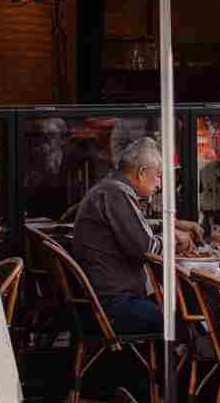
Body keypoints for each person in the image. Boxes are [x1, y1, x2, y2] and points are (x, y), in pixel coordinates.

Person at [71, 137, 204, 335]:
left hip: (103, 299)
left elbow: (133, 227)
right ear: (142, 173)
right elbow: (145, 248)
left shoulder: (110, 189)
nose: (160, 183)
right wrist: (174, 238)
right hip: (114, 306)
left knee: (183, 306)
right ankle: (197, 364)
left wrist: (171, 225)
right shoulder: (116, 194)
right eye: (158, 175)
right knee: (188, 319)